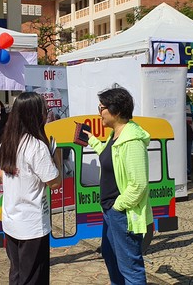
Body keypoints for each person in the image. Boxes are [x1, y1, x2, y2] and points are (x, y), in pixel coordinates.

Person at [83, 86, 151, 284]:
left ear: (117, 111)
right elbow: (108, 157)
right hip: (111, 211)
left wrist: (117, 206)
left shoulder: (132, 140)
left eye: (102, 108)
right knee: (111, 258)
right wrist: (91, 140)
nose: (99, 113)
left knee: (130, 267)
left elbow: (138, 185)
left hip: (123, 214)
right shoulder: (116, 136)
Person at [0, 92, 61, 285]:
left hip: (11, 219)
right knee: (33, 277)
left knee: (17, 274)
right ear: (36, 115)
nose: (46, 115)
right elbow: (54, 182)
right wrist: (57, 155)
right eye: (44, 111)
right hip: (32, 224)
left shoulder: (7, 143)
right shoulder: (36, 146)